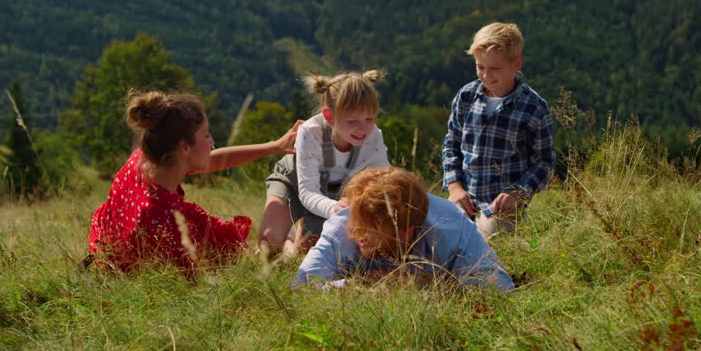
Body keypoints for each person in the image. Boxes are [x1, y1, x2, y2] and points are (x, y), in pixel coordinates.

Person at [88, 90, 299, 274]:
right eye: (206, 135)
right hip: (135, 268)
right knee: (267, 255)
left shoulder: (145, 160)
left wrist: (274, 146)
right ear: (184, 148)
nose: (212, 142)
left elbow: (214, 160)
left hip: (105, 251)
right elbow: (195, 279)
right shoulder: (166, 223)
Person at [292, 167, 513, 291]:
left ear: (406, 231)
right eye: (356, 223)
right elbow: (301, 289)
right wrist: (360, 285)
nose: (356, 235)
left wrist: (421, 284)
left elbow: (500, 286)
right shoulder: (339, 229)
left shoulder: (451, 226)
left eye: (369, 230)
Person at [259, 70, 390, 258]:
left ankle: (296, 239)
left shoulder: (374, 136)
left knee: (305, 257)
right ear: (329, 116)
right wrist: (332, 208)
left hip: (337, 190)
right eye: (352, 121)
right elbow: (307, 190)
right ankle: (287, 232)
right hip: (296, 181)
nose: (363, 128)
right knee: (268, 244)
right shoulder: (310, 132)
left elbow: (384, 178)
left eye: (369, 118)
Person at [442, 22, 554, 238]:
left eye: (495, 68)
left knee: (490, 240)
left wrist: (517, 193)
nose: (486, 75)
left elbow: (545, 162)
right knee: (431, 236)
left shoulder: (533, 107)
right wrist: (455, 187)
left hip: (501, 206)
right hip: (464, 197)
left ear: (517, 64)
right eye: (480, 67)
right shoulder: (466, 96)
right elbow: (451, 144)